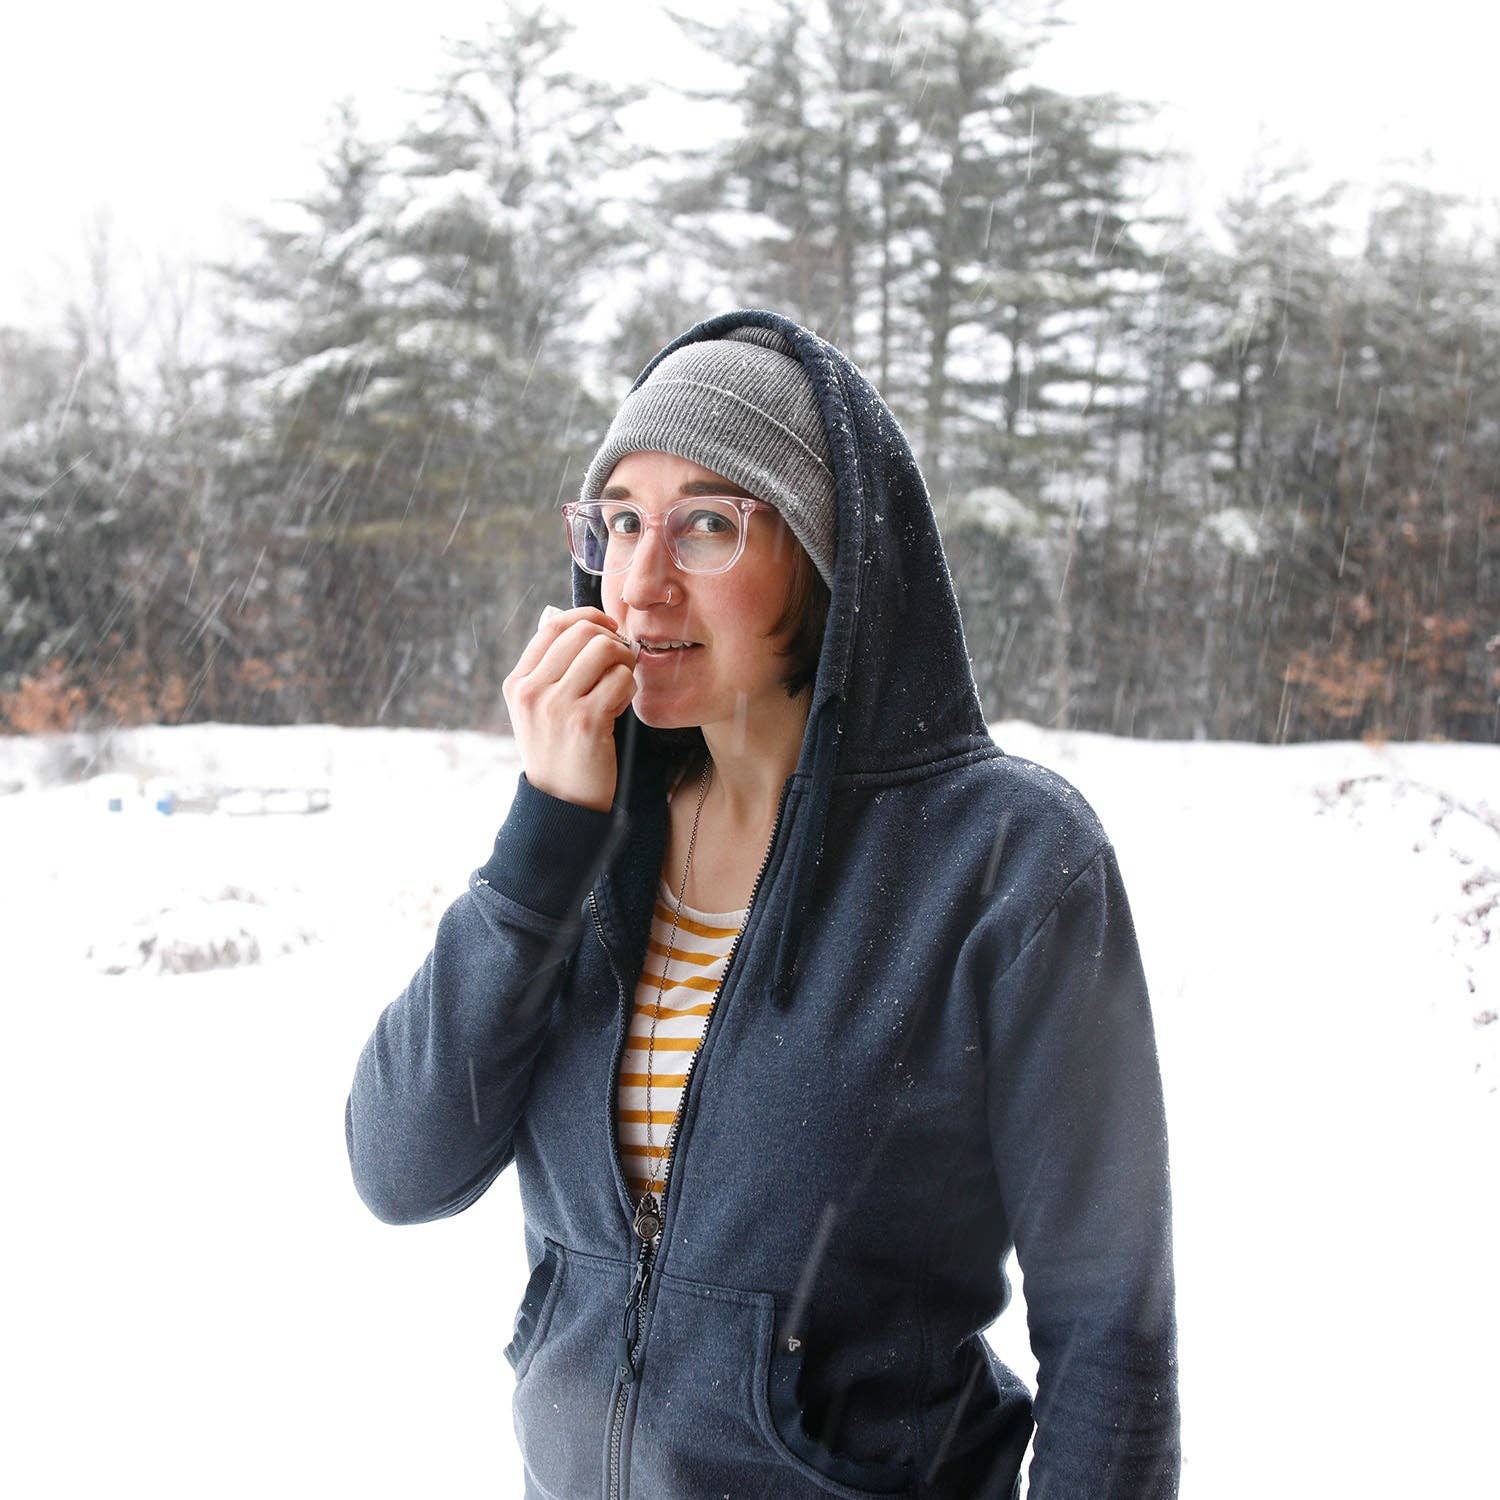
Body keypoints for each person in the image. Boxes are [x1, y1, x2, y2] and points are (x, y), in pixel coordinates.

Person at [344, 311, 1181, 1498]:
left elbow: (1112, 1341)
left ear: (827, 557)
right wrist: (544, 840)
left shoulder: (1008, 863)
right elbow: (402, 1167)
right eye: (621, 521)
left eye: (708, 525)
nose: (642, 582)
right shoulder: (588, 839)